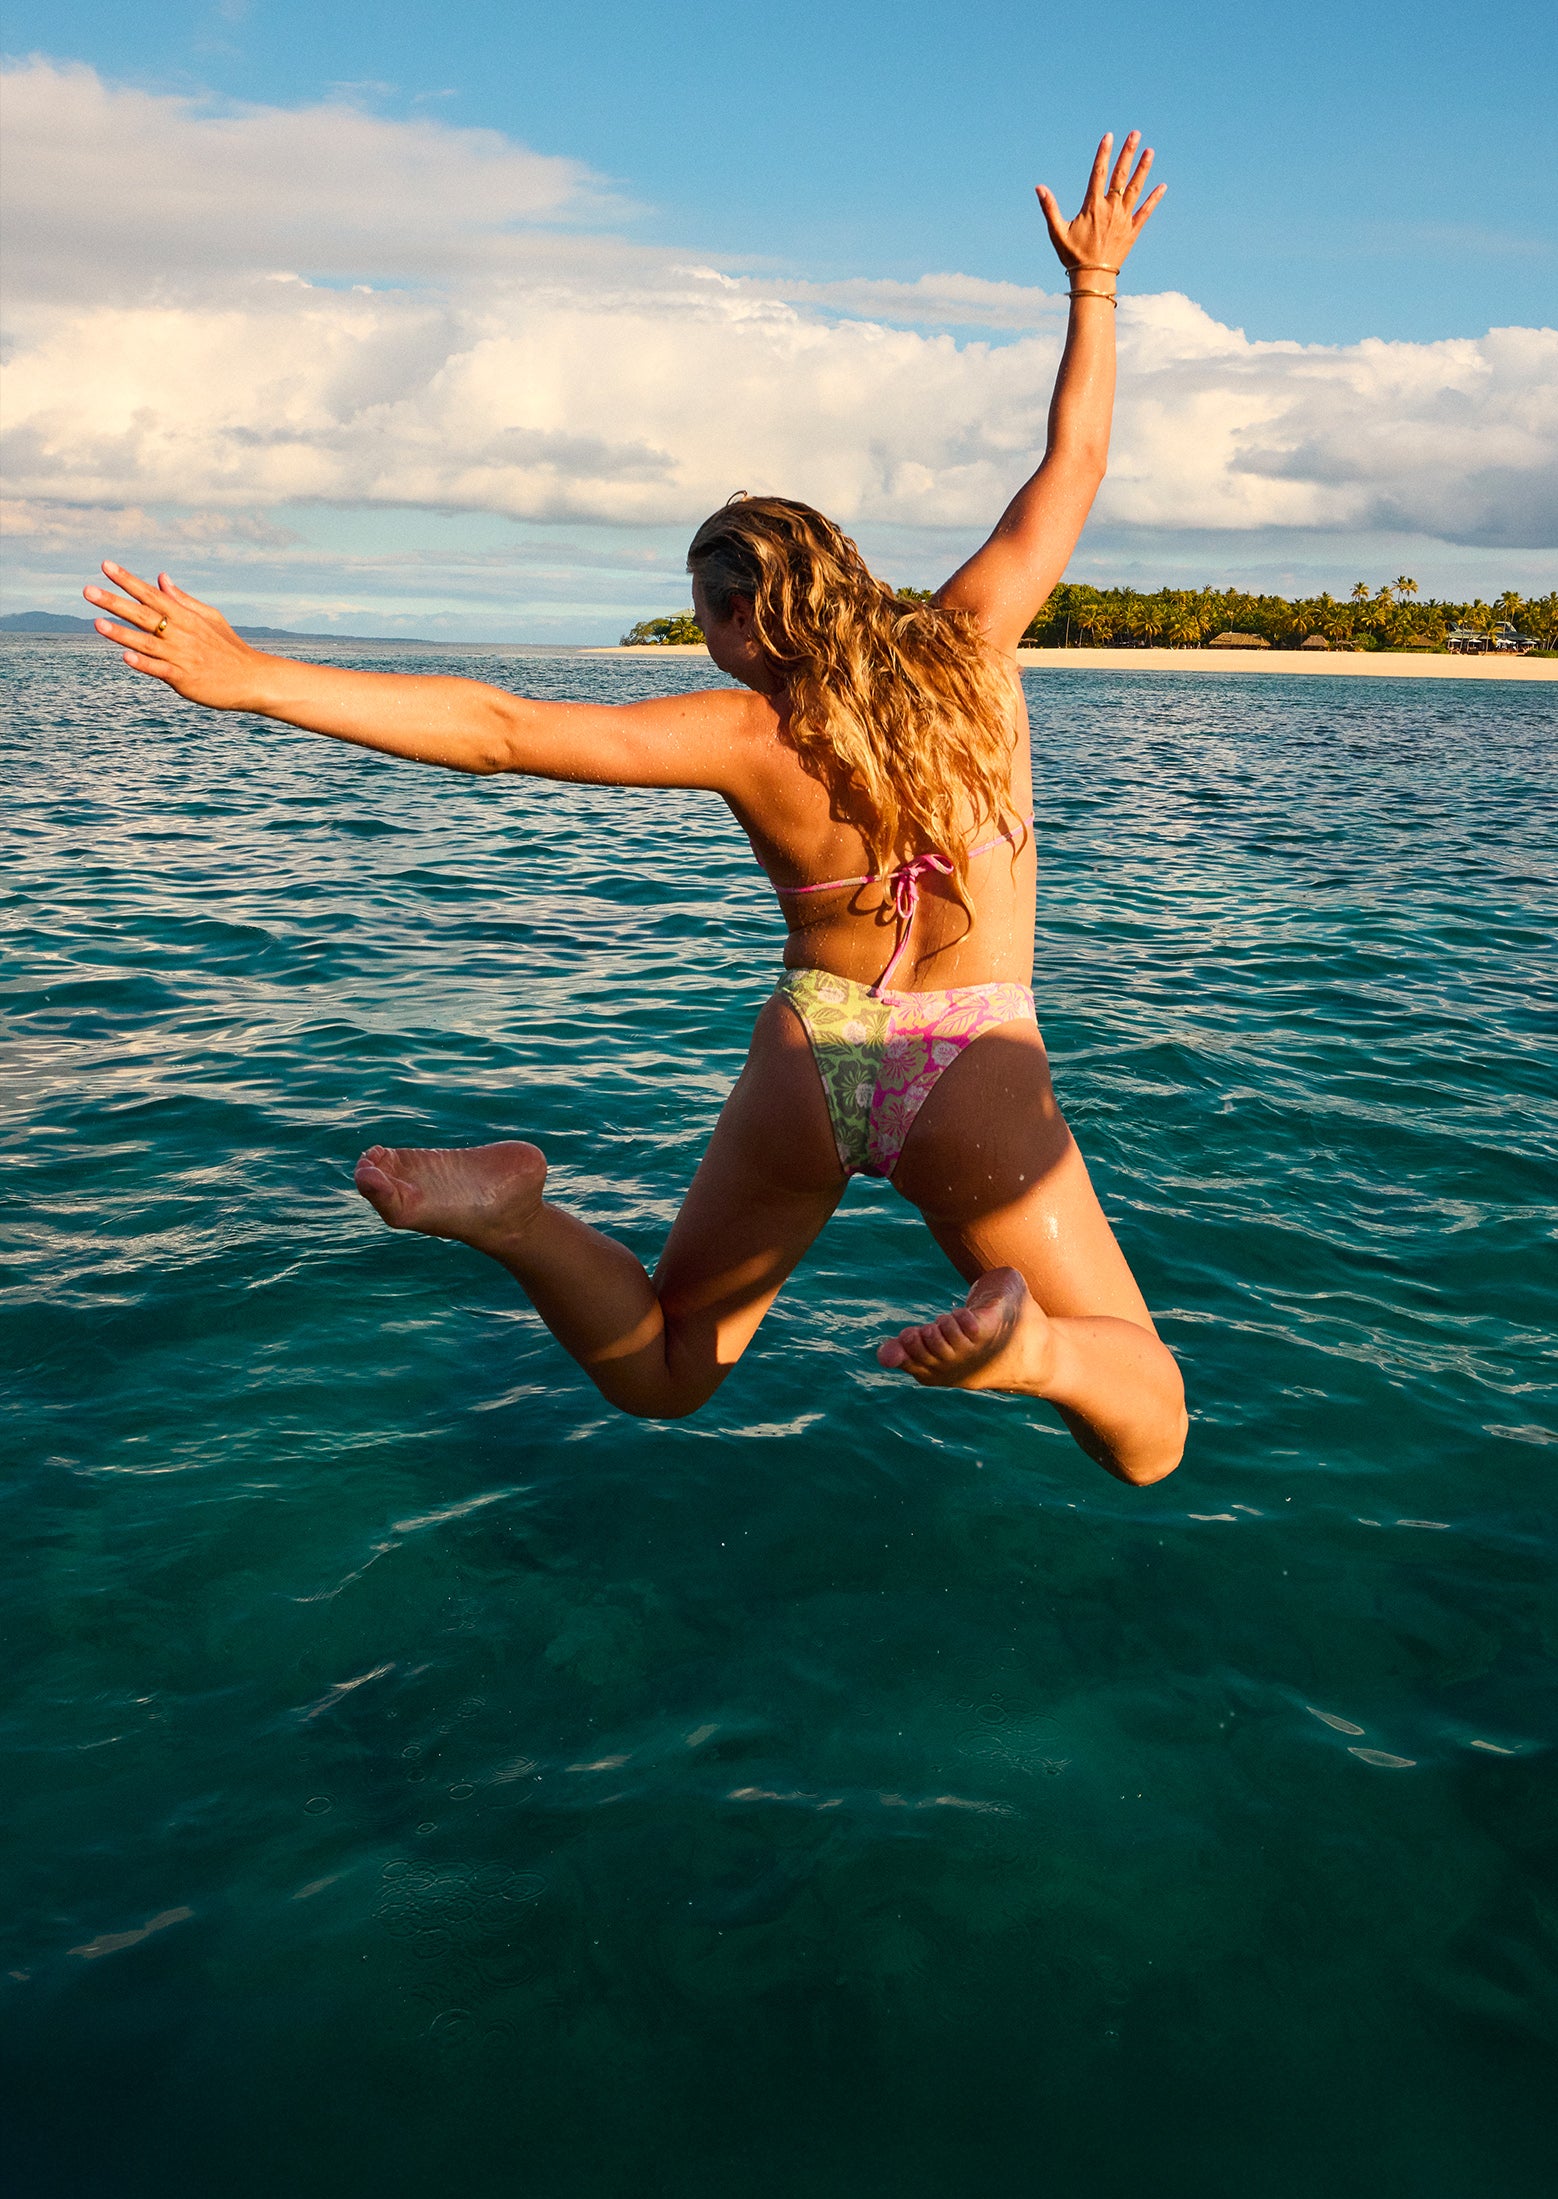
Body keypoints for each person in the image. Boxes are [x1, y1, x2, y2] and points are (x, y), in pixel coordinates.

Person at [86, 132, 1185, 1485]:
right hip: (972, 1062)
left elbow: (498, 728)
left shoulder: (739, 729)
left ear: (732, 618)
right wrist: (1094, 286)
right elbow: (1071, 462)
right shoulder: (971, 641)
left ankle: (513, 1221)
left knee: (667, 1371)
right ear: (841, 573)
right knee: (1150, 1432)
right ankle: (1041, 1356)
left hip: (813, 1057)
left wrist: (254, 679)